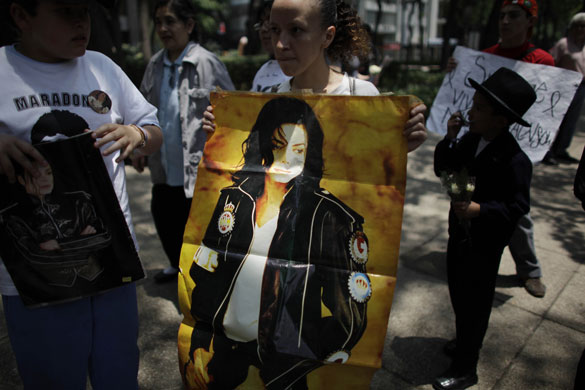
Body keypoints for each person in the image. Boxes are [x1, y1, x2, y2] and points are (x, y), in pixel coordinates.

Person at [0, 0, 163, 389]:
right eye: (65, 11)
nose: (81, 23)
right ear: (22, 15)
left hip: (111, 261)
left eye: (85, 12)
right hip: (36, 274)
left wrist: (138, 135)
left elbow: (152, 127)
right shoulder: (3, 71)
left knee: (118, 371)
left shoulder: (102, 67)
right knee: (53, 376)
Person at [184, 96, 369, 389]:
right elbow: (205, 280)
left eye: (297, 150)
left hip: (282, 367)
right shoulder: (233, 199)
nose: (284, 160)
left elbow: (349, 317)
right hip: (221, 350)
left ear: (310, 153)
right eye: (277, 145)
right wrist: (199, 344)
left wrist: (299, 353)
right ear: (263, 144)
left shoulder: (330, 219)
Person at [433, 67, 536, 390]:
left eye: (479, 108)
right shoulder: (471, 139)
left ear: (501, 120)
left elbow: (517, 206)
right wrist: (449, 140)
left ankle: (466, 367)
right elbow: (444, 168)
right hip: (459, 235)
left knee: (475, 304)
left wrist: (482, 210)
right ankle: (463, 340)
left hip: (484, 244)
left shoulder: (515, 160)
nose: (470, 113)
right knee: (459, 294)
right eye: (472, 104)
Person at [447, 0, 550, 299]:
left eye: (513, 16)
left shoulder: (541, 59)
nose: (505, 21)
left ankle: (529, 269)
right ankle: (466, 249)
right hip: (482, 142)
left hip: (516, 146)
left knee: (514, 211)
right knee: (468, 198)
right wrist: (453, 70)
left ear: (530, 22)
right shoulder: (486, 55)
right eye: (502, 15)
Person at [135, 0, 234, 283]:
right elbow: (143, 108)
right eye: (158, 22)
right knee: (163, 215)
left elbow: (229, 108)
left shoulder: (206, 62)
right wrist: (141, 149)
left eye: (170, 21)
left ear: (189, 26)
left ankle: (199, 279)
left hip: (196, 166)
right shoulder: (155, 63)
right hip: (164, 163)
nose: (163, 29)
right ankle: (177, 267)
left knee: (196, 224)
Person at [548, 12, 585, 165]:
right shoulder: (563, 43)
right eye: (578, 26)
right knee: (556, 118)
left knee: (571, 120)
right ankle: (547, 151)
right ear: (572, 27)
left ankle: (561, 150)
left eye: (584, 26)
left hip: (581, 87)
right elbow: (552, 61)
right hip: (563, 85)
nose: (581, 29)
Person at [250, 0, 291, 92]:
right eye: (261, 23)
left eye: (270, 22)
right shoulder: (263, 70)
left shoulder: (301, 73)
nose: (263, 29)